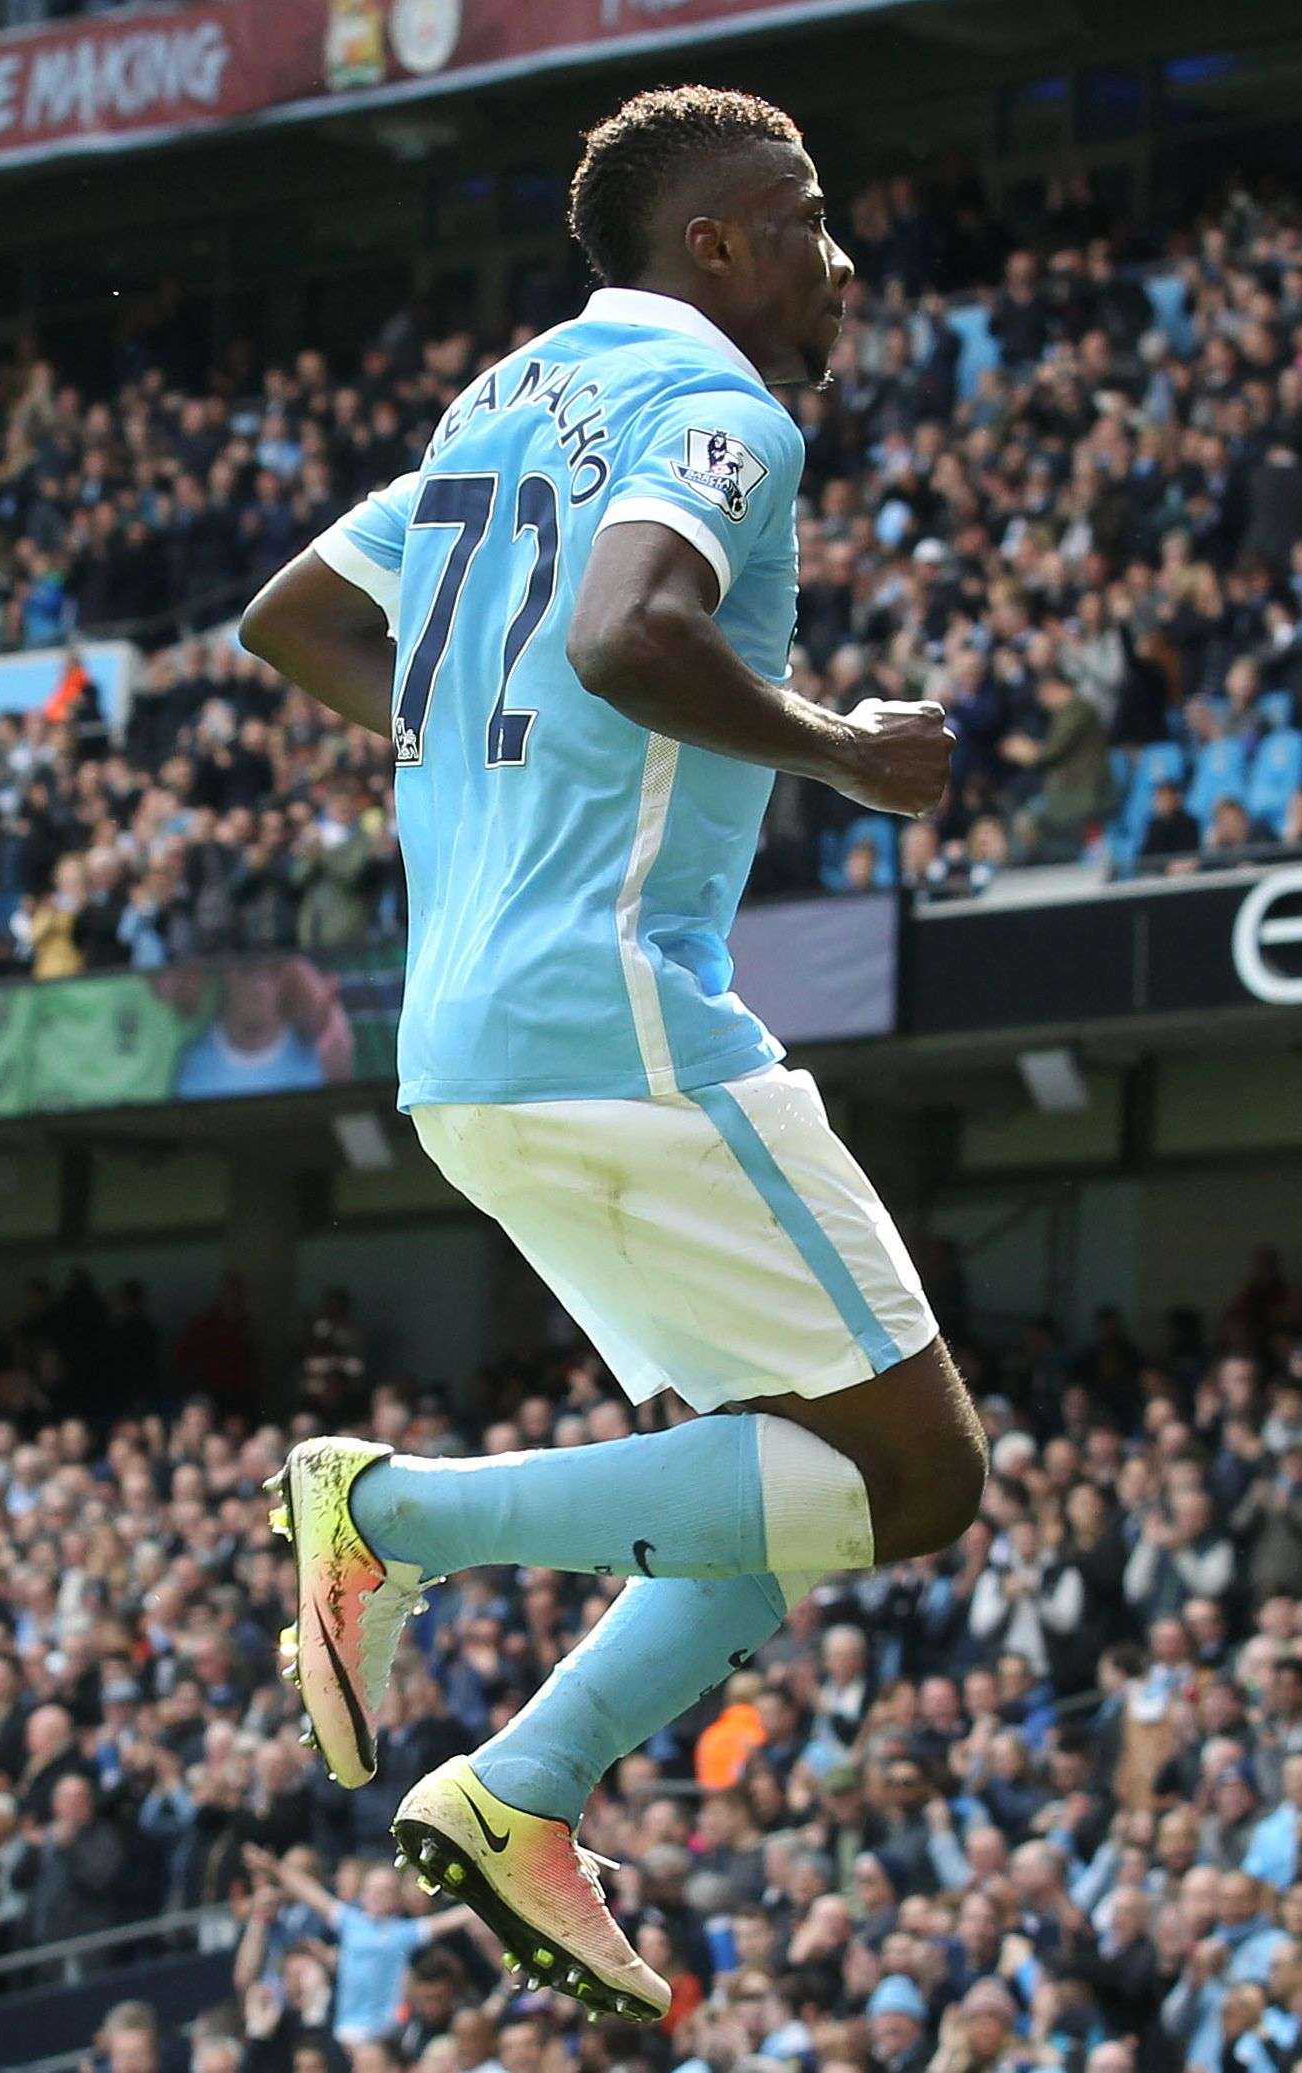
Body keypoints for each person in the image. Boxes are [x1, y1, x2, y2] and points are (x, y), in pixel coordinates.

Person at [236, 85, 986, 2027]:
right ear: (718, 242)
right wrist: (843, 747)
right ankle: (387, 1518)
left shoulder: (492, 408)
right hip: (619, 1013)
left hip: (468, 1040)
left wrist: (461, 762)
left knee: (747, 1479)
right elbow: (630, 633)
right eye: (809, 214)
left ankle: (523, 1790)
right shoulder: (723, 405)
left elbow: (293, 613)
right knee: (913, 1476)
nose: (840, 254)